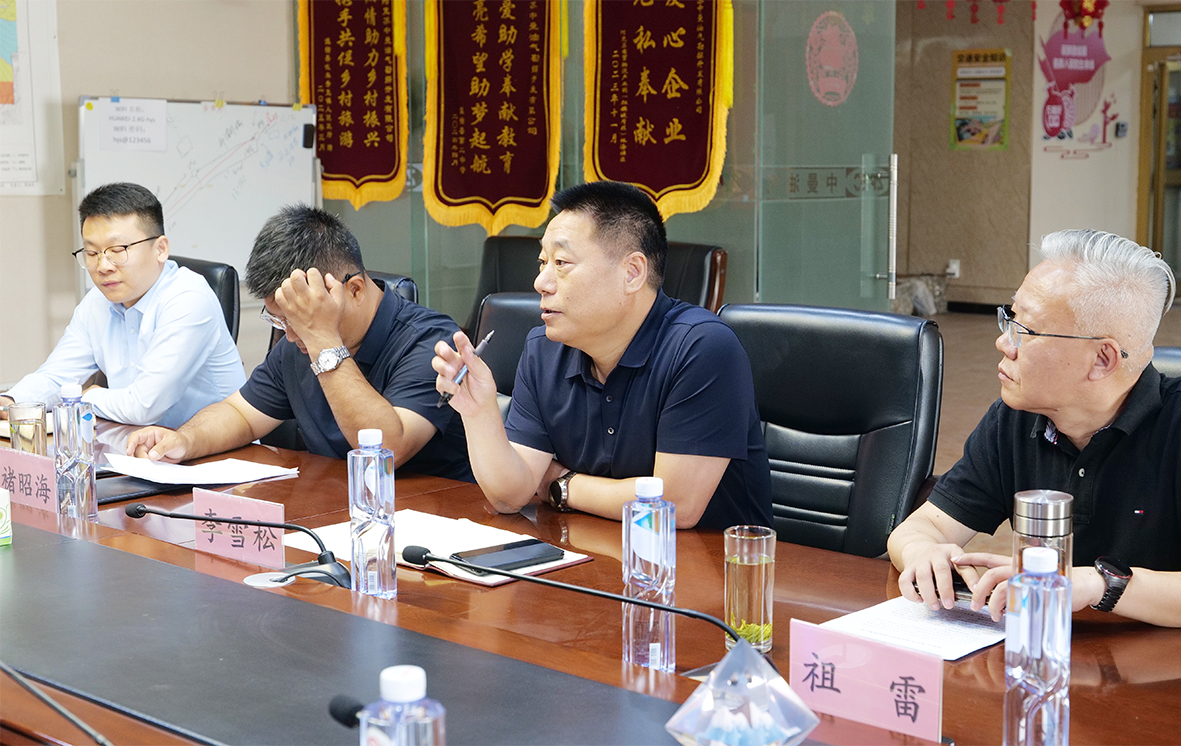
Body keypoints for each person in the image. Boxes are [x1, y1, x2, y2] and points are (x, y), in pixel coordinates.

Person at [431, 181, 772, 530]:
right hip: (589, 551)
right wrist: (479, 413)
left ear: (632, 273)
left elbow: (673, 506)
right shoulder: (543, 349)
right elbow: (509, 497)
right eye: (542, 262)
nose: (541, 282)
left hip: (703, 559)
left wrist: (561, 484)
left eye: (562, 262)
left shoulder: (702, 347)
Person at [888, 229, 1180, 628]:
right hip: (1045, 649)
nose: (1003, 343)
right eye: (1010, 318)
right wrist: (923, 552)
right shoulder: (1018, 417)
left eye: (1025, 331)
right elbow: (925, 526)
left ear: (1102, 359)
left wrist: (1096, 585)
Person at [126, 205, 472, 481]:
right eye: (282, 320)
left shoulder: (431, 340)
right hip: (330, 506)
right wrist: (184, 440)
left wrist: (322, 338)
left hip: (437, 519)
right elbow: (240, 414)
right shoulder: (298, 344)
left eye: (300, 319)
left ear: (354, 290)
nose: (290, 336)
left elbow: (386, 451)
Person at [0, 182, 245, 428]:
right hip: (137, 442)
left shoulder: (188, 299)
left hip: (216, 448)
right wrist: (10, 402)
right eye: (92, 253)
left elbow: (144, 406)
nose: (103, 266)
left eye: (117, 250)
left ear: (160, 249)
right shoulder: (97, 302)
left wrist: (87, 397)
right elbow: (57, 377)